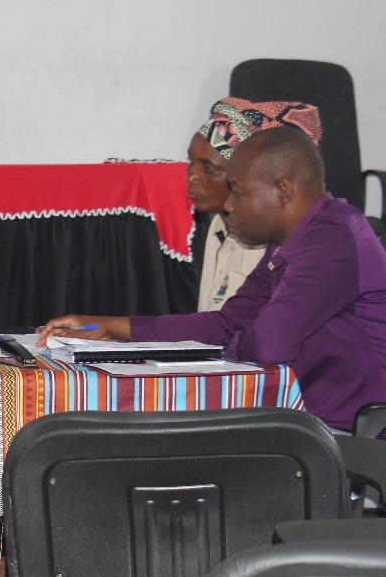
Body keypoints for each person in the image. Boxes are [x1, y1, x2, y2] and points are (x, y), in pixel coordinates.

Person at [38, 126, 386, 432]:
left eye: (239, 192)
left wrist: (211, 349)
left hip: (351, 432)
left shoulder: (333, 238)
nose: (230, 206)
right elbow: (227, 322)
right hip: (306, 419)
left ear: (282, 190)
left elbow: (269, 347)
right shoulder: (292, 240)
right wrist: (115, 328)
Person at [189, 98, 322, 310]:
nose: (192, 177)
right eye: (191, 163)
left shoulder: (266, 240)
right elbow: (212, 320)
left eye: (209, 168)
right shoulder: (218, 224)